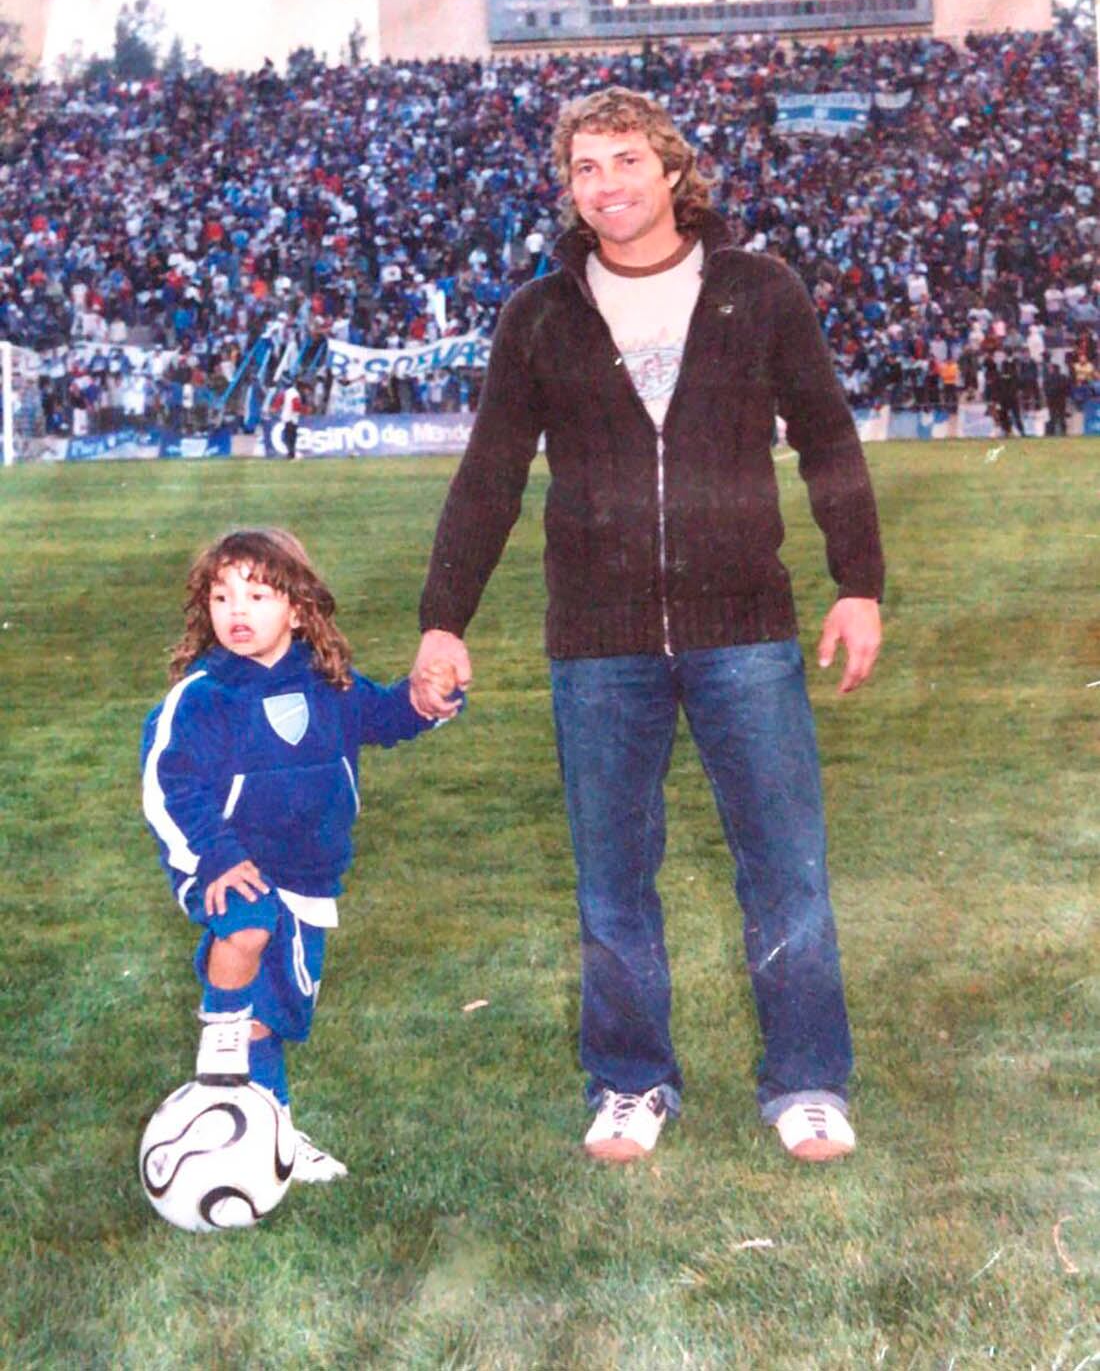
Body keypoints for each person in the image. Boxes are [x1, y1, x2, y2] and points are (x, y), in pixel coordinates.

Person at [410, 88, 884, 1166]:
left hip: (744, 629)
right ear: (567, 186)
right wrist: (444, 619)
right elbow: (488, 474)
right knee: (610, 875)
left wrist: (856, 582)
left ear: (672, 171)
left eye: (626, 160)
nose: (606, 184)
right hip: (597, 639)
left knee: (784, 866)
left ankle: (806, 1080)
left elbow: (826, 440)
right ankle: (629, 1080)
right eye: (585, 167)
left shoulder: (758, 291)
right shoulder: (538, 312)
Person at [142, 527, 462, 1181]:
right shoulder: (204, 696)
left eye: (257, 594)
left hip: (309, 877)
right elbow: (170, 782)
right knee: (246, 924)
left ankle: (272, 1135)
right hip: (224, 860)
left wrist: (426, 700)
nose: (237, 610)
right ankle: (219, 1063)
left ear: (296, 608)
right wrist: (214, 857)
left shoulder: (328, 685)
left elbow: (387, 715)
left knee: (276, 1015)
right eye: (222, 595)